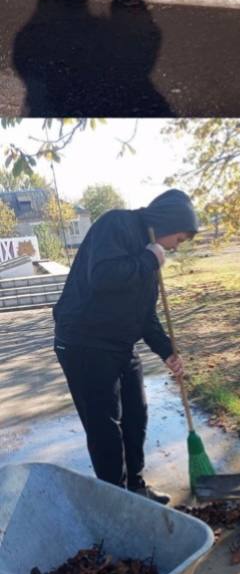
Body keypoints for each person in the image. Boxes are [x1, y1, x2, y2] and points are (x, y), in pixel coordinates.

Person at [52, 189, 197, 504]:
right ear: (169, 222)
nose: (175, 247)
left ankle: (135, 486)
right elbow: (102, 276)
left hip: (119, 344)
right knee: (105, 426)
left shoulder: (150, 256)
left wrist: (167, 350)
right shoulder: (116, 224)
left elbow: (145, 315)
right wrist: (148, 258)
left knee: (136, 415)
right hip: (83, 343)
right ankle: (117, 500)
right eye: (179, 239)